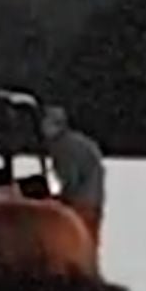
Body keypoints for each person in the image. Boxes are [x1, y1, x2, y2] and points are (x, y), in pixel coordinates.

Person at [43, 103, 105, 247]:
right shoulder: (80, 142)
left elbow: (71, 178)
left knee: (72, 244)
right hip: (94, 200)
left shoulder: (64, 146)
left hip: (80, 204)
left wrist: (57, 200)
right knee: (88, 244)